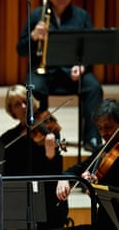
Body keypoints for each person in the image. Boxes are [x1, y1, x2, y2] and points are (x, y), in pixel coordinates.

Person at [16, 0, 103, 152]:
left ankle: (92, 138)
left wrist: (82, 67)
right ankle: (40, 136)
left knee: (94, 87)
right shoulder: (36, 16)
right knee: (33, 87)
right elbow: (20, 49)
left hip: (73, 73)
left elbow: (92, 50)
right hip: (45, 73)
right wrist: (33, 36)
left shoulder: (82, 16)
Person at [0, 84, 68, 229]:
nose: (23, 107)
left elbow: (55, 170)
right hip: (23, 199)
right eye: (17, 104)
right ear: (12, 110)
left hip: (48, 195)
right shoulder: (9, 139)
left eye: (25, 101)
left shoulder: (48, 127)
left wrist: (50, 154)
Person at [56, 98, 119, 229]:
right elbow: (76, 169)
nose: (103, 133)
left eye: (108, 127)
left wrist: (97, 188)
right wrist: (64, 179)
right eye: (100, 128)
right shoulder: (103, 150)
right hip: (104, 222)